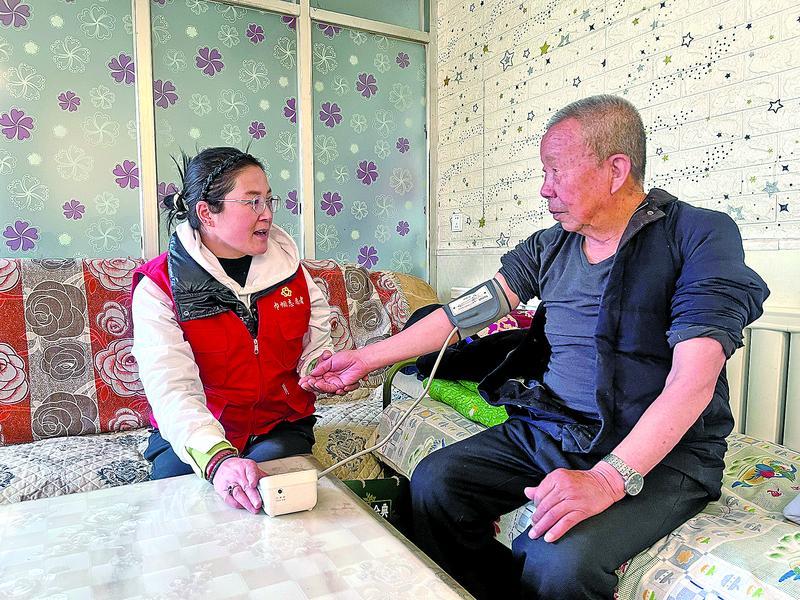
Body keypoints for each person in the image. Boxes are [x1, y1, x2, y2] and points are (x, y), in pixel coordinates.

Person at [300, 95, 770, 599]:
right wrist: (364, 358)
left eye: (555, 171)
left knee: (558, 560)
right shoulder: (550, 245)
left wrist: (607, 481)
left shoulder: (699, 235)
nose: (545, 188)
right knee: (437, 483)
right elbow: (463, 315)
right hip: (555, 428)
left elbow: (693, 379)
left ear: (615, 170)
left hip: (664, 452)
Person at [132, 147, 332, 514]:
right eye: (253, 202)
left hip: (278, 425)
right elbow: (171, 388)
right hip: (197, 430)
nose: (267, 213)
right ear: (206, 213)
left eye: (269, 200)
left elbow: (315, 346)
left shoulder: (293, 273)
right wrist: (217, 459)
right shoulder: (158, 286)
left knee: (274, 498)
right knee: (187, 510)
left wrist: (319, 370)